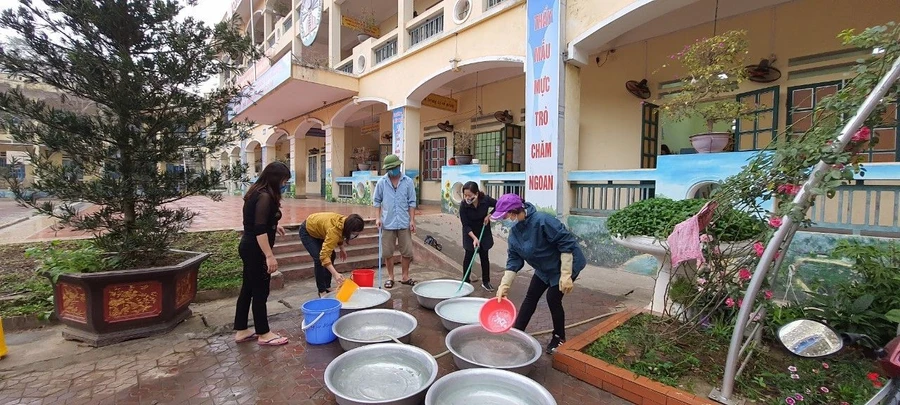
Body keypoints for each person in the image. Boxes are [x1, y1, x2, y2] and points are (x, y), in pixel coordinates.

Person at [492, 193, 586, 354]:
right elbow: (514, 259)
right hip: (544, 268)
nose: (506, 219)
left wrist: (566, 274)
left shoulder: (543, 221)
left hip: (565, 263)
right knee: (531, 297)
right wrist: (504, 285)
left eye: (506, 215)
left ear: (515, 211)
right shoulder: (515, 232)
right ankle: (518, 332)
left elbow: (566, 243)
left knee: (553, 298)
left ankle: (559, 337)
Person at [234, 162, 291, 346]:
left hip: (248, 246)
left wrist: (275, 225)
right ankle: (264, 333)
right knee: (260, 290)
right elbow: (259, 229)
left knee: (248, 288)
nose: (284, 184)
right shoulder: (265, 196)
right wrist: (269, 255)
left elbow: (257, 220)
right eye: (283, 180)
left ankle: (241, 329)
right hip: (255, 250)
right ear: (275, 179)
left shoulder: (256, 191)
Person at [373, 154, 417, 288]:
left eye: (396, 167)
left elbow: (412, 202)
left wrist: (412, 220)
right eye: (391, 168)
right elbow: (377, 201)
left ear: (399, 166)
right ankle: (390, 277)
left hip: (404, 222)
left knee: (407, 252)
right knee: (387, 252)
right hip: (387, 223)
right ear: (387, 169)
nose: (394, 170)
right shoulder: (382, 182)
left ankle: (405, 276)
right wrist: (377, 218)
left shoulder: (408, 182)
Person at [299, 212, 366, 297]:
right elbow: (324, 255)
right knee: (319, 259)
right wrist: (335, 274)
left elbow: (341, 234)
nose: (355, 236)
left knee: (332, 255)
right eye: (354, 234)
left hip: (320, 230)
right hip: (308, 231)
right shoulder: (333, 231)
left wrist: (342, 248)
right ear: (349, 230)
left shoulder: (345, 222)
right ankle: (322, 290)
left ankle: (327, 286)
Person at [459, 181, 497, 291]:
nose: (467, 198)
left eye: (469, 195)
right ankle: (465, 281)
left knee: (484, 257)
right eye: (465, 195)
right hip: (470, 233)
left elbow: (498, 205)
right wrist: (474, 238)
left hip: (483, 231)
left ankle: (486, 282)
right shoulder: (464, 205)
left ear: (476, 194)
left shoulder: (485, 200)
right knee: (469, 257)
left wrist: (489, 215)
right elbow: (465, 225)